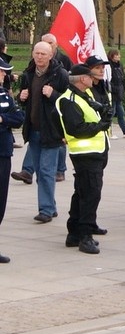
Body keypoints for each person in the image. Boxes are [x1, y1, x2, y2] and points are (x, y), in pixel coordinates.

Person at [55, 64, 112, 255]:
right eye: (89, 76)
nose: (92, 78)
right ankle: (85, 236)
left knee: (82, 192)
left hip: (94, 152)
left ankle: (74, 232)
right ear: (82, 79)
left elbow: (93, 114)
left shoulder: (83, 96)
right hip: (85, 154)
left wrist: (103, 112)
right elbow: (75, 128)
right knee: (90, 194)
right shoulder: (69, 99)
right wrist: (101, 126)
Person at [15, 41, 69, 222]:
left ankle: (45, 210)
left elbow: (68, 103)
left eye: (43, 54)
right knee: (39, 172)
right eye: (36, 53)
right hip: (34, 130)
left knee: (46, 171)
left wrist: (53, 94)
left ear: (51, 55)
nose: (39, 57)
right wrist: (21, 97)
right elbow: (25, 100)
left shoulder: (59, 74)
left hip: (51, 131)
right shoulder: (29, 74)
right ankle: (50, 206)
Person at [0, 57, 23, 263]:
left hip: (4, 152)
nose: (3, 75)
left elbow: (18, 118)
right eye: (0, 71)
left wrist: (2, 119)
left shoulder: (4, 94)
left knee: (1, 202)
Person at [107, 49, 125, 139]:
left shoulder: (120, 65)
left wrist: (124, 88)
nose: (118, 56)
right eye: (116, 55)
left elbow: (123, 77)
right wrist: (113, 88)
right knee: (112, 112)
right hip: (113, 93)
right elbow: (109, 79)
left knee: (121, 113)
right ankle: (108, 131)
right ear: (112, 56)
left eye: (119, 55)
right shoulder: (109, 66)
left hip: (119, 92)